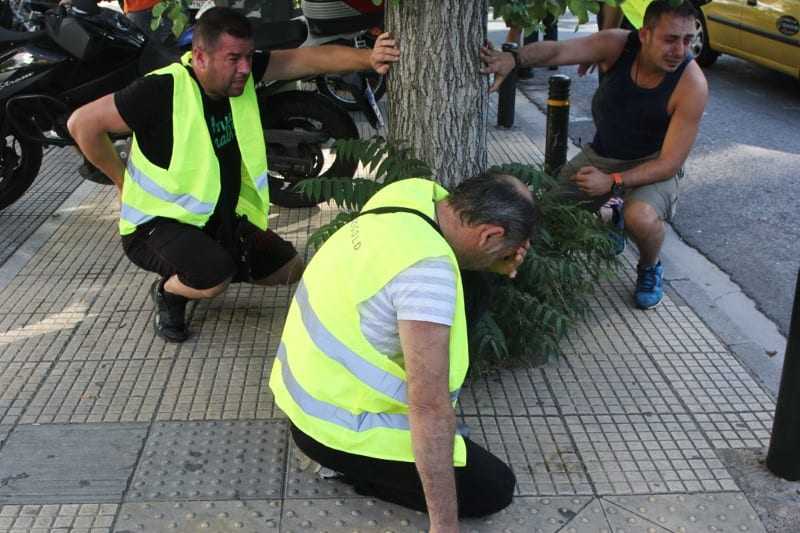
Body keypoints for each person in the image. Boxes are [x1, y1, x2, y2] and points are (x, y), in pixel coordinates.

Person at [67, 7, 399, 342]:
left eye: (248, 57)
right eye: (233, 59)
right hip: (156, 225)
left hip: (218, 219)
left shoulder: (242, 72)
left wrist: (368, 58)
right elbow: (82, 124)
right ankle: (170, 293)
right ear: (200, 57)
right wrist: (121, 180)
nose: (245, 68)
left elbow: (307, 59)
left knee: (289, 270)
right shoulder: (161, 90)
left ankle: (212, 264)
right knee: (213, 278)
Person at [270, 174, 536, 532]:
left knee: (475, 283)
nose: (508, 259)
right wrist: (444, 526)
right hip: (334, 430)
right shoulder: (426, 273)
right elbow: (428, 408)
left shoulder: (413, 193)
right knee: (493, 489)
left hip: (306, 390)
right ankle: (350, 470)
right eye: (504, 251)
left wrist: (490, 262)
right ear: (489, 235)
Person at [481, 0, 708, 310]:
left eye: (688, 40)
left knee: (639, 217)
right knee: (543, 211)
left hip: (652, 165)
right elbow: (559, 52)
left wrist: (613, 181)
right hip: (601, 156)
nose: (680, 51)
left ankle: (649, 267)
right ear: (644, 35)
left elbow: (670, 163)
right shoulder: (616, 45)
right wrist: (514, 58)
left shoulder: (692, 83)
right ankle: (608, 220)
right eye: (670, 39)